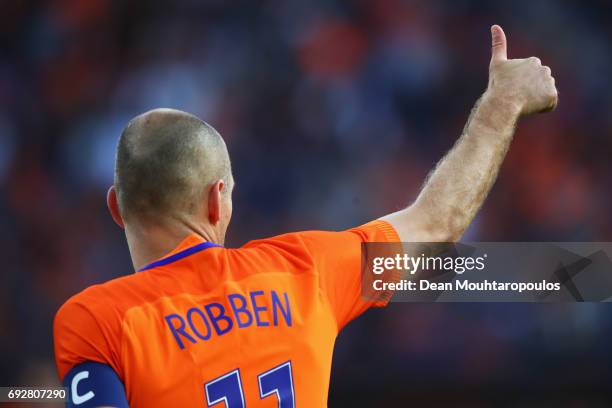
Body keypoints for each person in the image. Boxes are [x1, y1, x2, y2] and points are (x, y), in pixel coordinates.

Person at [53, 25, 557, 407]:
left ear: (116, 208)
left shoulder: (97, 322)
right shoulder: (305, 273)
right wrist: (502, 104)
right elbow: (437, 224)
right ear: (217, 200)